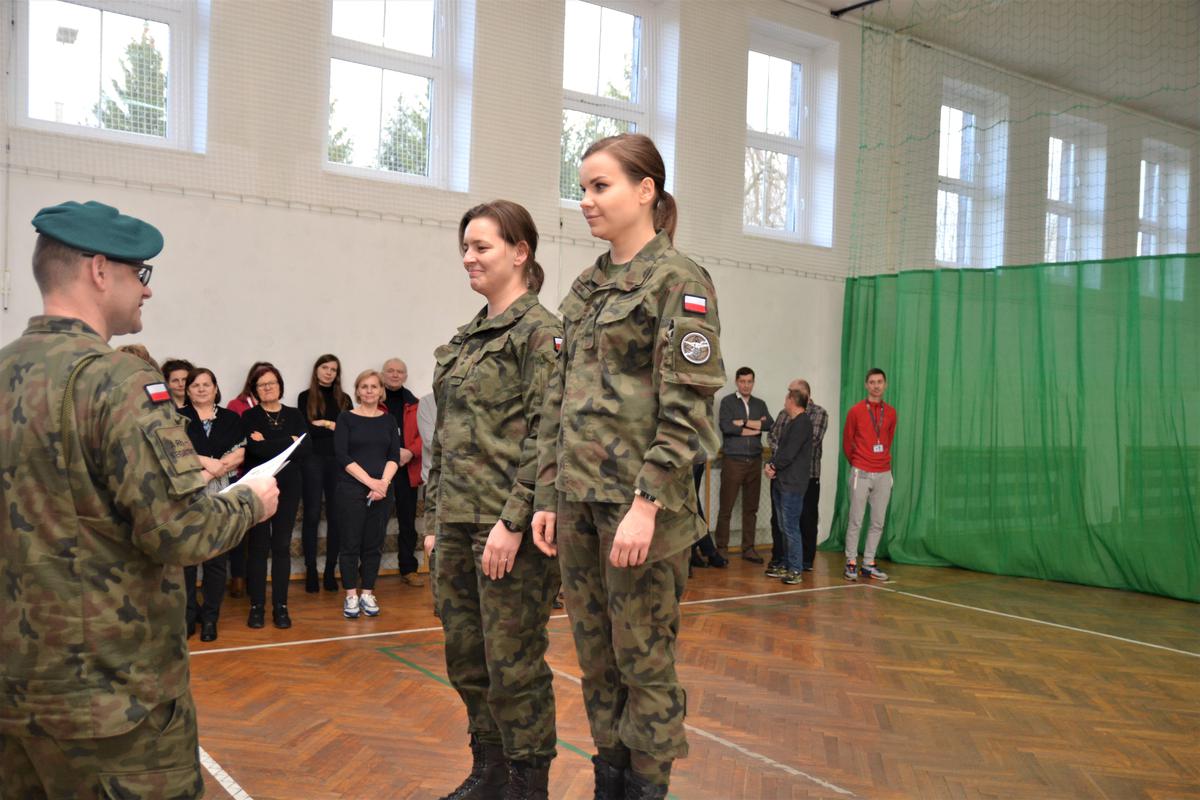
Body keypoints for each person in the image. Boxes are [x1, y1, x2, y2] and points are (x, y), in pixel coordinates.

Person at [0, 200, 278, 797]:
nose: (147, 290)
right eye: (139, 273)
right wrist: (251, 501)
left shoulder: (5, 372)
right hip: (111, 700)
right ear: (99, 271)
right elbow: (181, 530)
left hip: (16, 694)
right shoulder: (116, 382)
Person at [532, 134, 725, 800]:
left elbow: (689, 407)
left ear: (646, 190)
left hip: (640, 510)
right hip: (579, 506)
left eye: (600, 186)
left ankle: (646, 788)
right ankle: (609, 783)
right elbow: (558, 402)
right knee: (597, 661)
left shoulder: (679, 281)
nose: (585, 200)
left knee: (643, 662)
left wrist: (647, 504)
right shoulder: (586, 287)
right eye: (582, 187)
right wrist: (548, 496)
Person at [424, 201, 563, 800]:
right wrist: (433, 519)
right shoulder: (469, 337)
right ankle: (491, 772)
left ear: (520, 252)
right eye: (465, 247)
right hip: (456, 523)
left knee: (514, 664)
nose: (469, 258)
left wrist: (512, 521)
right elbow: (445, 436)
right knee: (467, 658)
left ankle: (528, 784)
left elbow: (548, 436)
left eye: (481, 247)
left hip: (507, 528)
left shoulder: (540, 334)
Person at [179, 367, 246, 641]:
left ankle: (210, 618)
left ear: (215, 388)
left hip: (222, 494)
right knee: (187, 560)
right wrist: (207, 464)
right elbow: (176, 452)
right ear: (188, 390)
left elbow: (240, 452)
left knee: (216, 560)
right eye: (195, 385)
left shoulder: (230, 418)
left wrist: (213, 471)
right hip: (187, 493)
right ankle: (187, 617)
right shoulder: (177, 417)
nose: (201, 389)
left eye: (206, 384)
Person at [242, 364, 309, 628]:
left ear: (280, 385)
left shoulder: (295, 414)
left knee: (281, 545)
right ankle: (257, 606)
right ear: (255, 390)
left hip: (289, 486)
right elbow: (254, 451)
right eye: (262, 384)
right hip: (259, 488)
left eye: (272, 382)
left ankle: (281, 606)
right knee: (258, 546)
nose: (268, 387)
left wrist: (267, 441)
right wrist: (288, 441)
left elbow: (305, 448)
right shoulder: (249, 416)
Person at [334, 370, 400, 619]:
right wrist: (370, 482)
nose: (369, 390)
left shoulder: (389, 420)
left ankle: (367, 593)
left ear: (381, 391)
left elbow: (394, 456)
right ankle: (351, 595)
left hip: (382, 490)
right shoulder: (346, 418)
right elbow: (342, 456)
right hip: (351, 489)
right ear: (357, 391)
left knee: (374, 544)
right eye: (364, 386)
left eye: (374, 386)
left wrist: (383, 484)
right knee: (350, 543)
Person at [298, 354, 353, 593]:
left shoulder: (345, 399)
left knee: (336, 517)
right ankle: (311, 570)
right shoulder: (304, 397)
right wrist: (333, 426)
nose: (329, 372)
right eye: (325, 367)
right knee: (311, 515)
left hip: (338, 462)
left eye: (333, 369)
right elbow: (306, 431)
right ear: (316, 370)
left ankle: (331, 570)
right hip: (312, 461)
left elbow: (349, 431)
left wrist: (326, 424)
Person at [842, 368, 897, 582]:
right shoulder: (855, 411)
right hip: (861, 471)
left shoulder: (891, 412)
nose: (876, 386)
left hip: (883, 472)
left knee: (878, 521)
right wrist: (858, 463)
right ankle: (851, 562)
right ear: (866, 385)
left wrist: (880, 461)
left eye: (879, 382)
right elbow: (848, 441)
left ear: (885, 385)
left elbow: (888, 439)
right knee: (856, 519)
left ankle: (868, 563)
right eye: (872, 382)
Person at [226, 360, 274, 598]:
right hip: (241, 474)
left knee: (261, 531)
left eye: (269, 380)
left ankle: (255, 578)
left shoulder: (274, 408)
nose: (265, 385)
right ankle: (237, 576)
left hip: (267, 474)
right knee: (241, 528)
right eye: (259, 379)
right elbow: (235, 438)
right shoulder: (236, 405)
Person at [715, 367, 772, 563]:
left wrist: (743, 422)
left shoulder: (760, 404)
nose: (746, 385)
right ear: (736, 382)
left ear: (753, 383)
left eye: (749, 381)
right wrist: (754, 426)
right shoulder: (727, 402)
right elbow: (726, 427)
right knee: (726, 508)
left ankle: (748, 549)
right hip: (733, 461)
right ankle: (721, 549)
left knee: (751, 509)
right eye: (742, 381)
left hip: (755, 461)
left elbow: (769, 424)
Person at [765, 387, 813, 585]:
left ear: (792, 400)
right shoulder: (792, 422)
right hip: (782, 482)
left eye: (786, 398)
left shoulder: (803, 423)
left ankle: (795, 569)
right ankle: (786, 563)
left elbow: (789, 452)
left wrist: (773, 466)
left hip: (792, 484)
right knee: (783, 526)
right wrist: (771, 464)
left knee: (791, 528)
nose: (784, 401)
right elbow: (780, 450)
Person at [382, 357, 424, 587]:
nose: (395, 374)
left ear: (405, 376)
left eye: (400, 371)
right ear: (383, 374)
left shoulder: (416, 404)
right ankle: (366, 569)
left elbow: (426, 435)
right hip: (379, 472)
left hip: (407, 470)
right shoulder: (374, 402)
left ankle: (408, 568)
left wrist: (410, 452)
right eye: (390, 371)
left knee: (408, 522)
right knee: (375, 521)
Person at [796, 379, 828, 571]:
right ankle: (792, 557)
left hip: (810, 474)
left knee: (808, 518)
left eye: (793, 391)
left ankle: (807, 559)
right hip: (790, 476)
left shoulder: (819, 413)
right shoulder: (787, 412)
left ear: (805, 394)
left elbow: (813, 440)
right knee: (791, 519)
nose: (789, 395)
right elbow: (774, 435)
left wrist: (789, 449)